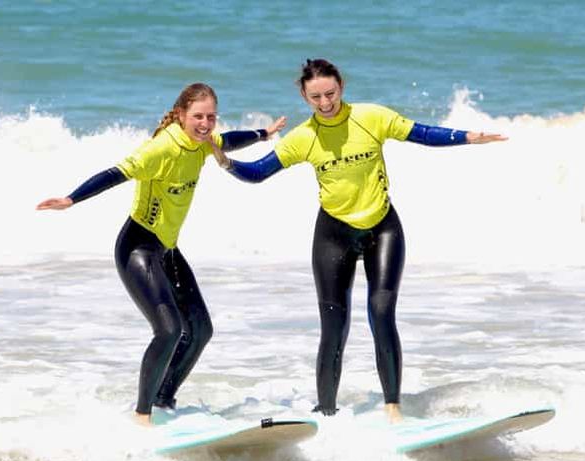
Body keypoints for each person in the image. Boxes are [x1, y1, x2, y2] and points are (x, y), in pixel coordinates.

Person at [210, 59, 507, 422]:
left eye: (330, 93)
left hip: (382, 228)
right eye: (315, 96)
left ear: (342, 86)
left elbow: (421, 133)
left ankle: (392, 409)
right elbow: (259, 173)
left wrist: (467, 137)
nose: (325, 102)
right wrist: (226, 163)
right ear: (304, 96)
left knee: (382, 315)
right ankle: (326, 412)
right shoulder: (304, 137)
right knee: (334, 327)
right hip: (333, 235)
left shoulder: (371, 117)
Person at [37, 83, 286, 425]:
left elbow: (229, 141)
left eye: (211, 117)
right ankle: (142, 415)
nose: (205, 123)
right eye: (197, 116)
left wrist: (263, 134)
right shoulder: (161, 148)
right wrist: (71, 199)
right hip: (137, 248)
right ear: (181, 115)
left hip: (167, 250)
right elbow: (115, 173)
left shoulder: (204, 143)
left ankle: (163, 400)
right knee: (169, 330)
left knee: (200, 330)